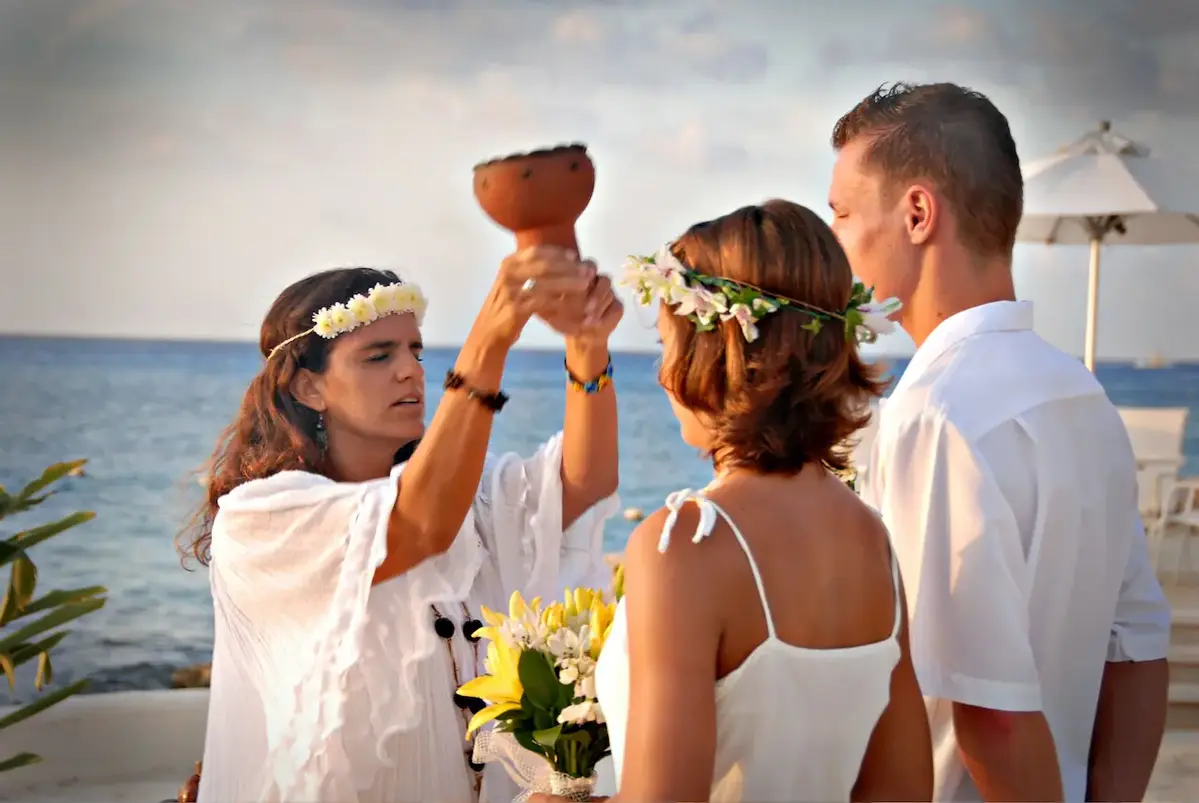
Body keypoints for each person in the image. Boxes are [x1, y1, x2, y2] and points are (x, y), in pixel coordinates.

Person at [828, 81, 1172, 802]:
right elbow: (1137, 646)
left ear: (917, 213)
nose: (834, 245)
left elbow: (989, 714)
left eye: (843, 214)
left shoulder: (931, 412)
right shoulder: (1083, 396)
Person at [179, 250, 623, 803]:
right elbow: (417, 526)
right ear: (307, 387)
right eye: (377, 355)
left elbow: (583, 483)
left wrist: (587, 346)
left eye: (415, 349)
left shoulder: (462, 498)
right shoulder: (264, 520)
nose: (411, 368)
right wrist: (490, 340)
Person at [538, 200, 934, 803]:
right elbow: (903, 790)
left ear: (716, 354)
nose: (665, 374)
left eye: (670, 345)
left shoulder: (685, 545)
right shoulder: (872, 540)